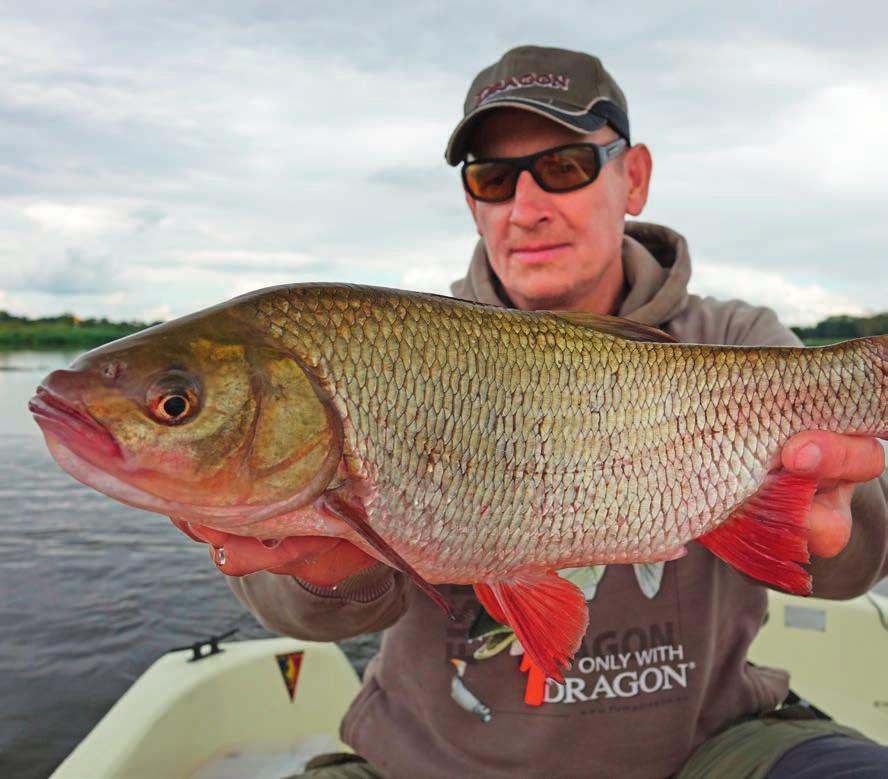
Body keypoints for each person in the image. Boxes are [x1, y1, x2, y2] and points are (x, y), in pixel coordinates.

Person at [175, 46, 888, 778]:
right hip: (430, 763)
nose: (527, 208)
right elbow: (314, 613)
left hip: (710, 748)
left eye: (565, 167)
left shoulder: (737, 343)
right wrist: (326, 572)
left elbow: (857, 562)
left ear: (633, 177)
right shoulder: (393, 358)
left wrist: (835, 523)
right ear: (471, 200)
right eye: (492, 177)